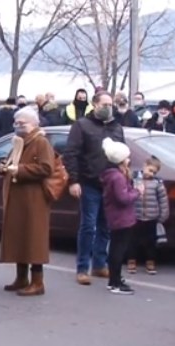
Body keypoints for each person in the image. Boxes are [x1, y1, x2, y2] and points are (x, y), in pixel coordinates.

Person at [62, 91, 123, 285]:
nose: (107, 108)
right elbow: (70, 154)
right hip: (89, 182)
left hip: (110, 183)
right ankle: (82, 267)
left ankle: (99, 264)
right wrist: (73, 180)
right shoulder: (82, 126)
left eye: (110, 105)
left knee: (105, 226)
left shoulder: (115, 127)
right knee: (89, 226)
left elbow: (121, 152)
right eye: (104, 104)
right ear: (94, 105)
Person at [0, 107, 56, 296]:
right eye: (16, 122)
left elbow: (47, 168)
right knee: (19, 237)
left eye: (22, 123)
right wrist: (3, 167)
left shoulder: (41, 142)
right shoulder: (19, 142)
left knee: (33, 239)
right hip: (18, 198)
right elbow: (11, 163)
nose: (18, 126)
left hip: (34, 199)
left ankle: (38, 282)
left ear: (34, 123)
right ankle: (21, 277)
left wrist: (20, 170)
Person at [100, 138, 142, 294]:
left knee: (116, 248)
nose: (129, 160)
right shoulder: (117, 177)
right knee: (118, 249)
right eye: (127, 157)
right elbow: (123, 198)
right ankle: (115, 282)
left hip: (117, 216)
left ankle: (114, 279)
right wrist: (137, 192)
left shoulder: (113, 174)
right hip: (121, 217)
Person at [127, 157, 169, 275]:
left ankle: (150, 262)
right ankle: (131, 261)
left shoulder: (157, 183)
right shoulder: (134, 179)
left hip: (151, 217)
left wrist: (162, 216)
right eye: (150, 170)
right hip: (136, 216)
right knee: (132, 240)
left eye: (154, 172)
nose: (151, 174)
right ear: (144, 166)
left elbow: (163, 200)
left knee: (150, 241)